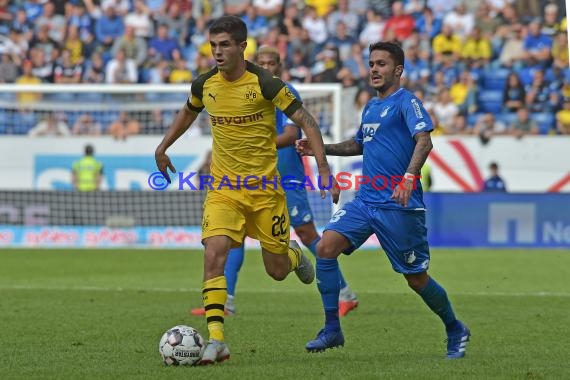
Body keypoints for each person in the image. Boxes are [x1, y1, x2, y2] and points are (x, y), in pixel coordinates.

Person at [154, 16, 339, 365]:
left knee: (277, 270)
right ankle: (217, 339)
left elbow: (306, 122)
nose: (218, 52)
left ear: (242, 46)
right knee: (214, 253)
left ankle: (295, 254)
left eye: (225, 45)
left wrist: (324, 169)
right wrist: (162, 147)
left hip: (266, 193)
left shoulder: (266, 84)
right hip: (224, 190)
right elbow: (187, 112)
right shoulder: (205, 85)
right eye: (214, 45)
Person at [297, 41, 470, 359]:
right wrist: (320, 148)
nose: (374, 69)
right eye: (371, 63)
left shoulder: (407, 102)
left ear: (398, 70)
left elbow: (424, 140)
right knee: (325, 248)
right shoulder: (371, 107)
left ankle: (454, 327)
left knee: (416, 280)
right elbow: (359, 144)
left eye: (381, 64)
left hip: (399, 205)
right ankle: (332, 329)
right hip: (365, 201)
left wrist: (408, 178)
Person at [190, 46, 358, 318]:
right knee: (235, 238)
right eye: (263, 62)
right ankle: (226, 302)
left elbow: (292, 134)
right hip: (251, 180)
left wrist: (252, 144)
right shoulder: (247, 90)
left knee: (306, 235)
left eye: (272, 62)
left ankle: (345, 292)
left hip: (286, 177)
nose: (267, 66)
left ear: (280, 66)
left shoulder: (280, 91)